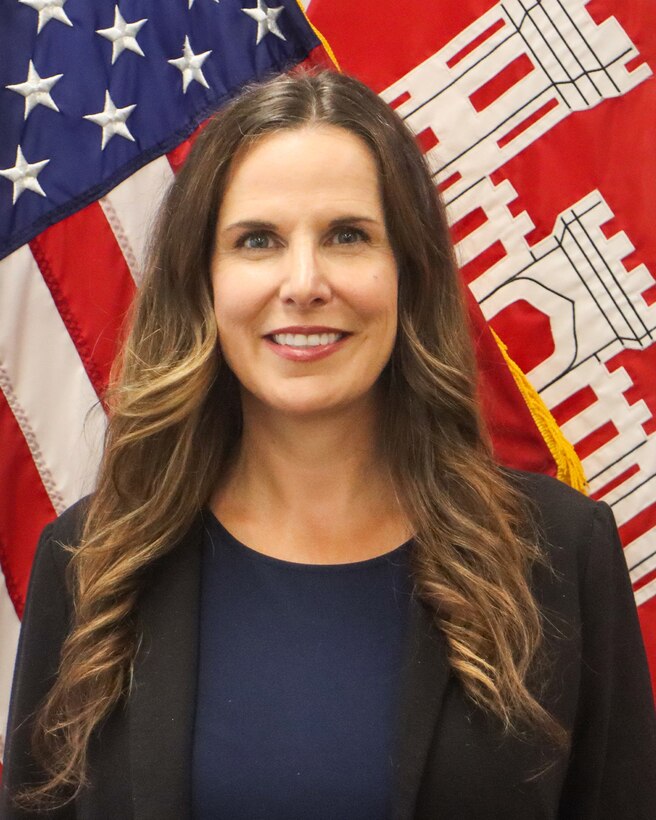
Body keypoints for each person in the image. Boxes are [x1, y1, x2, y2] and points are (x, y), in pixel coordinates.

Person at [2, 69, 655, 820]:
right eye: (258, 241)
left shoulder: (560, 554)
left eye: (348, 236)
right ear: (202, 282)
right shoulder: (89, 564)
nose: (304, 283)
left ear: (409, 271)